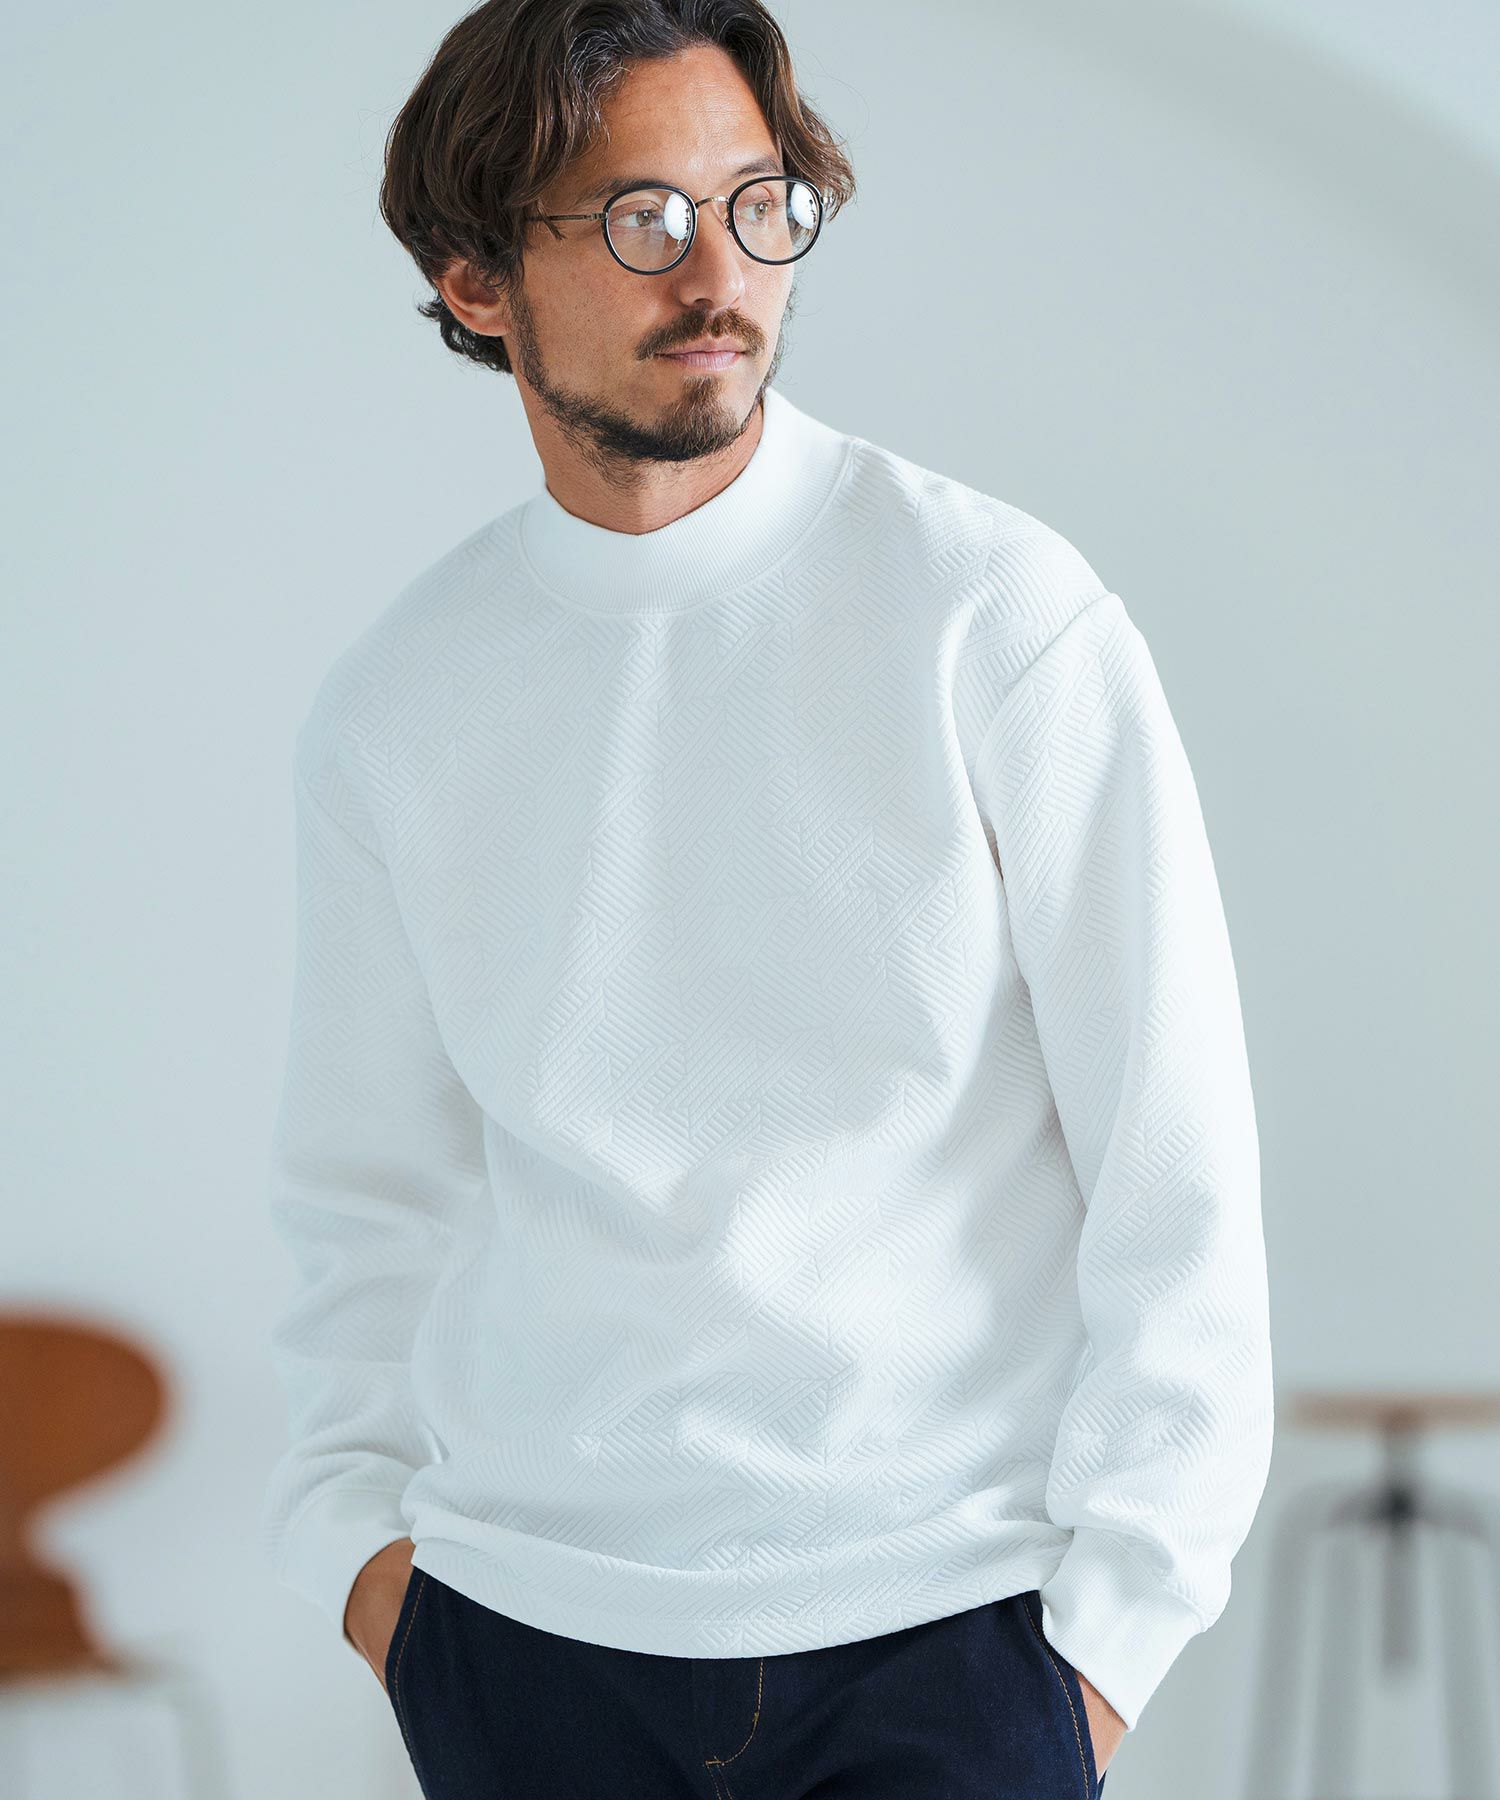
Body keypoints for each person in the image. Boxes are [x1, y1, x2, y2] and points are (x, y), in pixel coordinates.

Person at [259, 2, 1274, 1794]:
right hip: (525, 1648)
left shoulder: (996, 619)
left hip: (954, 1646)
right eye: (641, 216)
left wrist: (1105, 1646)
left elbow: (1173, 1168)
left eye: (759, 203)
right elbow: (364, 1200)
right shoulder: (398, 709)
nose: (720, 272)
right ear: (476, 280)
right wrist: (366, 1563)